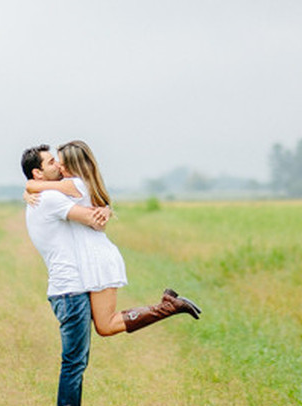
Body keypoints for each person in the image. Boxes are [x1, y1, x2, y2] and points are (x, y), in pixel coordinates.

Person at [25, 140, 201, 339]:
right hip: (94, 258)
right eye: (56, 162)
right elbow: (97, 223)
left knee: (106, 325)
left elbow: (37, 185)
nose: (59, 166)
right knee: (104, 326)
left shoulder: (74, 184)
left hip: (98, 259)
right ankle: (167, 305)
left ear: (75, 166)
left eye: (63, 164)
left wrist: (29, 186)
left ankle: (168, 307)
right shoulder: (80, 185)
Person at [21, 144, 111, 406]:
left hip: (67, 289)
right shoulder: (48, 198)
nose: (58, 166)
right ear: (38, 172)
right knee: (73, 364)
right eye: (51, 162)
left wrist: (104, 209)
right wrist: (102, 212)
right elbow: (92, 221)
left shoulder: (41, 195)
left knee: (76, 363)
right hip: (70, 290)